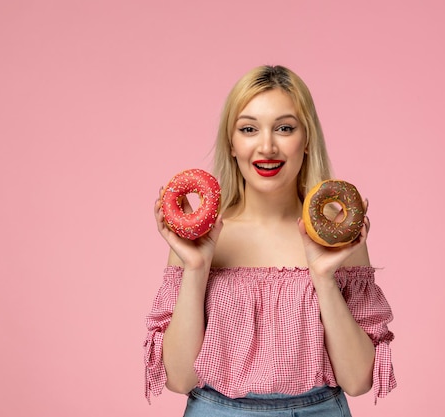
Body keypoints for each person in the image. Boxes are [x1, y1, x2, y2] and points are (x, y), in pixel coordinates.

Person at [144, 65, 396, 416]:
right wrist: (197, 267)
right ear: (231, 144)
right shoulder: (201, 238)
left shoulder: (337, 235)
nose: (267, 146)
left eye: (284, 128)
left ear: (306, 140)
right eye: (249, 129)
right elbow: (180, 379)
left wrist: (323, 277)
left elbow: (357, 381)